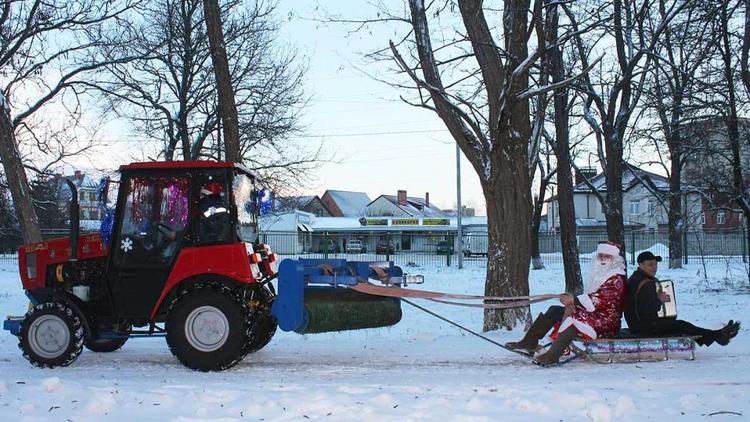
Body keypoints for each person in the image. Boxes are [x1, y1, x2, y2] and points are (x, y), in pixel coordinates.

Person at [506, 241, 627, 366]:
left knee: (576, 319)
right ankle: (529, 343)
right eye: (600, 255)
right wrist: (572, 300)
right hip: (594, 313)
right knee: (555, 310)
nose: (602, 259)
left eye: (607, 256)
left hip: (606, 320)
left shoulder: (616, 279)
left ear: (615, 259)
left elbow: (600, 299)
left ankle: (552, 356)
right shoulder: (601, 274)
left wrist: (574, 300)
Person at [624, 251, 740, 346]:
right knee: (682, 325)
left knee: (682, 326)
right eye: (650, 264)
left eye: (655, 264)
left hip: (636, 325)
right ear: (640, 264)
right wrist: (660, 299)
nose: (654, 268)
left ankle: (717, 336)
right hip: (644, 328)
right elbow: (646, 310)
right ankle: (719, 336)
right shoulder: (646, 284)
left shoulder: (635, 278)